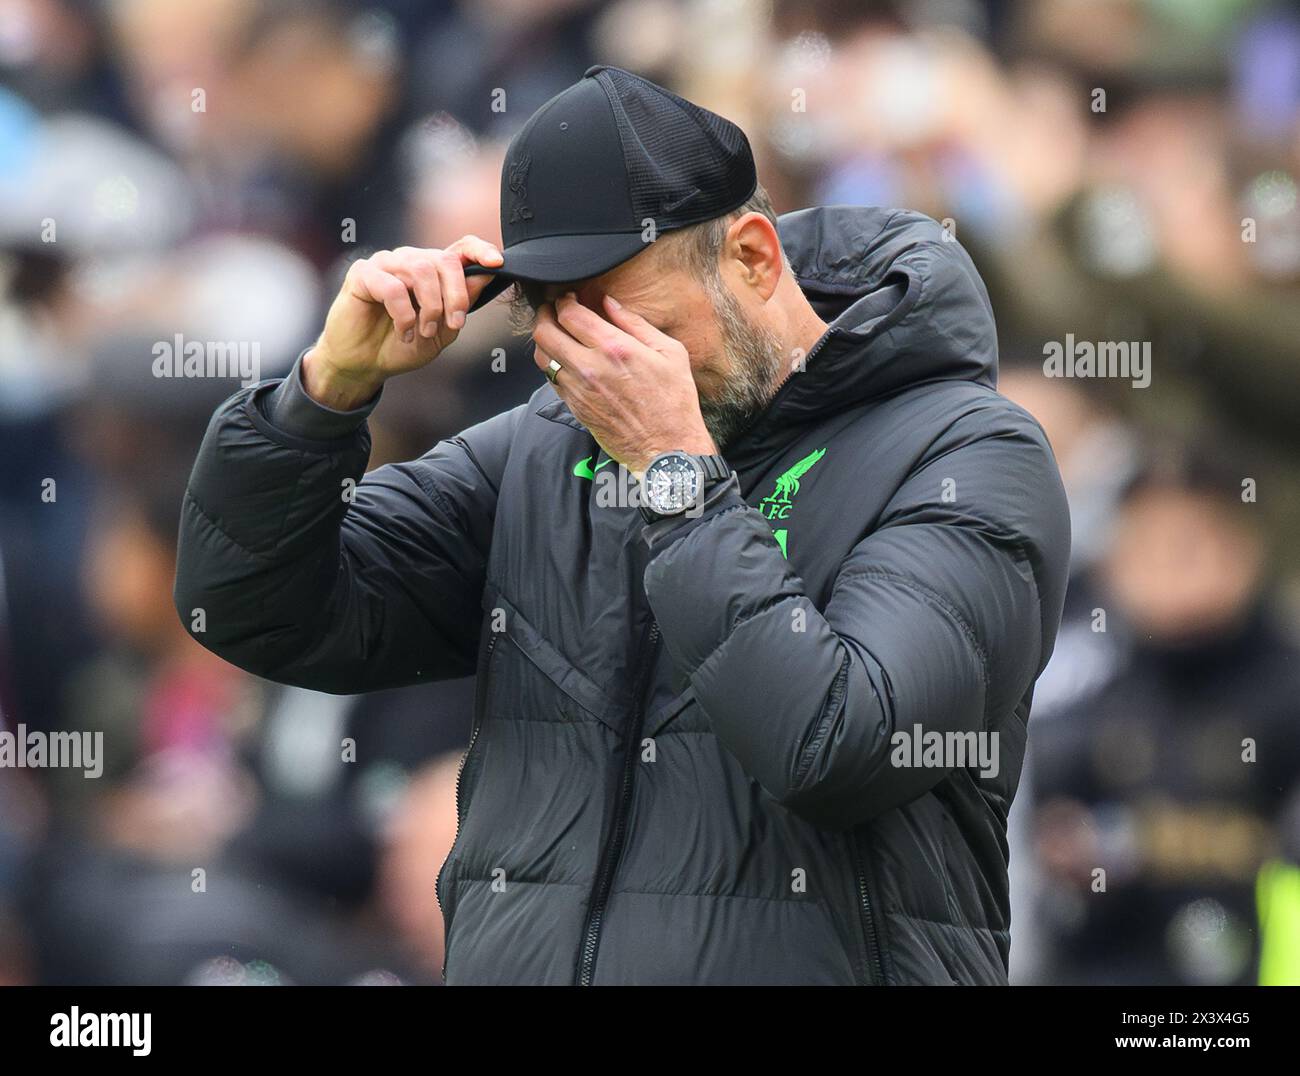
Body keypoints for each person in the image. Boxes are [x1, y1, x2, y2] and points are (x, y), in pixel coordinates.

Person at [174, 66, 1070, 985]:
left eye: (622, 319)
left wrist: (676, 476)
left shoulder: (969, 454)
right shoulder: (547, 447)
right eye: (555, 322)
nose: (588, 366)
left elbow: (837, 745)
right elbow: (253, 608)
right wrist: (326, 391)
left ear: (754, 259)